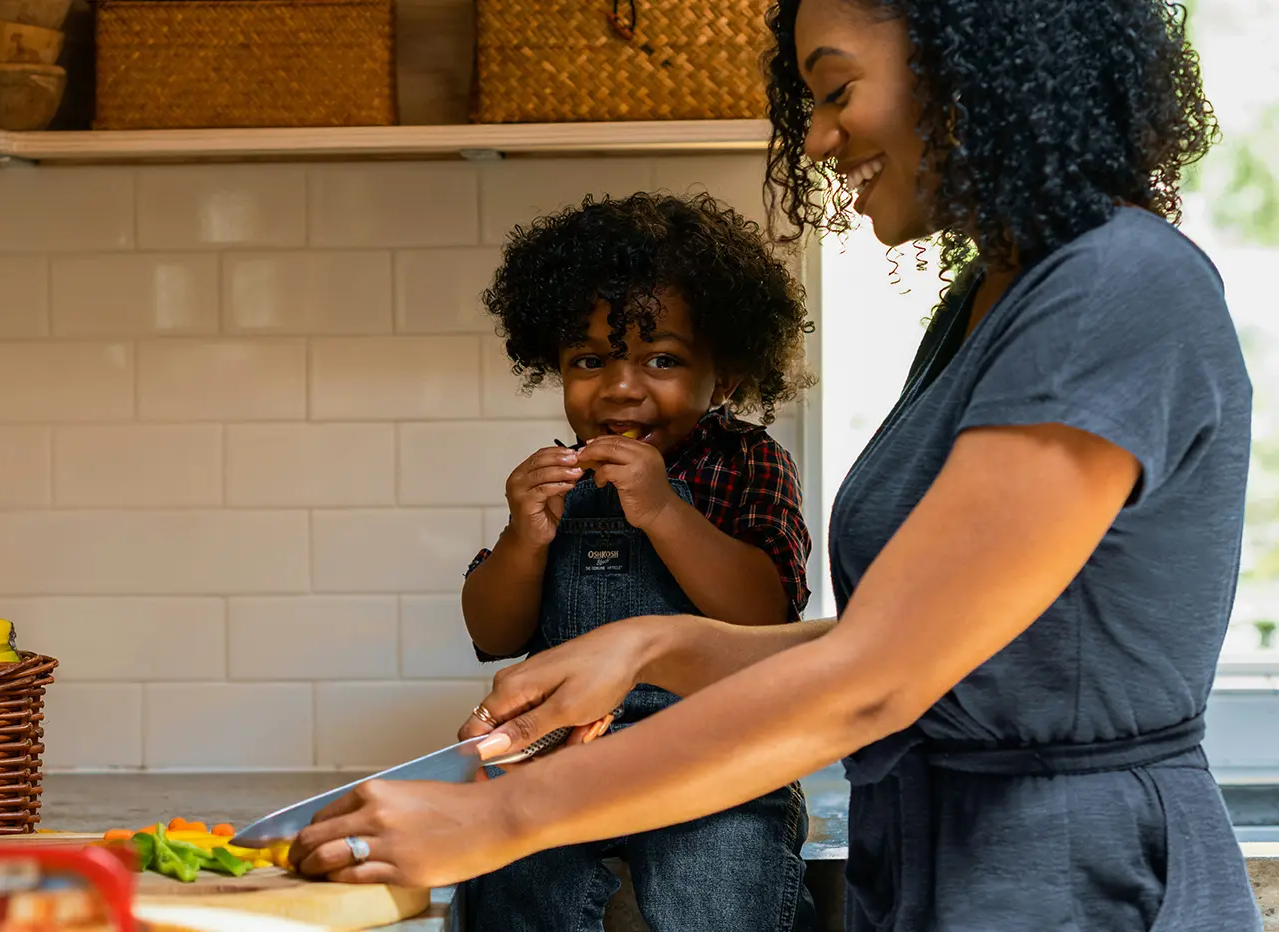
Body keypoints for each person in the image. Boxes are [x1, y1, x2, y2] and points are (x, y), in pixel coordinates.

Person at [288, 0, 1261, 929]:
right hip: (947, 869)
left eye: (836, 91)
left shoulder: (1113, 287)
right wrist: (654, 645)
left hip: (1074, 883)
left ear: (967, 69)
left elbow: (877, 679)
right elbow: (912, 642)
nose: (819, 140)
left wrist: (499, 817)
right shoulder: (988, 301)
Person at [454, 191, 815, 932]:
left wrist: (664, 512)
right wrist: (524, 540)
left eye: (663, 359)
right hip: (562, 750)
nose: (620, 387)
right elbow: (493, 631)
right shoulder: (560, 477)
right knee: (511, 879)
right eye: (589, 360)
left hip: (717, 753)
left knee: (720, 877)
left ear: (730, 374)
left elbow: (768, 613)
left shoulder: (749, 460)